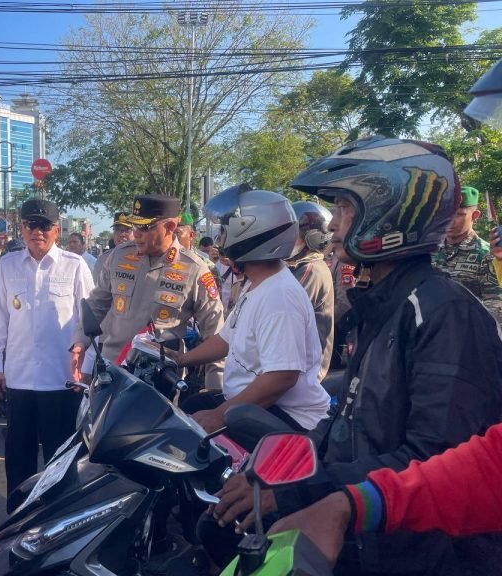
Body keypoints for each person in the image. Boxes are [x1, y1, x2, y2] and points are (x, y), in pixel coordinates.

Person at [209, 136, 502, 575]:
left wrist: (296, 492)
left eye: (345, 208)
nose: (332, 226)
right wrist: (277, 468)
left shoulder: (443, 314)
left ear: (391, 213)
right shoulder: (385, 304)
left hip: (419, 557)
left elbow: (434, 462)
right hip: (364, 538)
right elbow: (349, 425)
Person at [175, 188, 331, 434]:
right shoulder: (256, 283)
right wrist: (178, 359)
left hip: (289, 417)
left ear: (249, 234)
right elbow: (225, 339)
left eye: (225, 232)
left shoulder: (279, 297)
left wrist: (219, 415)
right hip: (256, 404)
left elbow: (281, 377)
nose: (220, 240)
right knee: (190, 406)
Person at [0, 199, 94, 513]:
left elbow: (88, 322)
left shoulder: (74, 265)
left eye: (44, 225)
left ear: (56, 230)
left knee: (60, 462)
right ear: (21, 229)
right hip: (18, 380)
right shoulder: (7, 266)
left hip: (61, 382)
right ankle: (17, 521)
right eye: (31, 224)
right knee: (18, 459)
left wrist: (84, 371)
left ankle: (58, 522)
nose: (38, 231)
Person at [269, 421, 502, 566]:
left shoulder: (454, 342)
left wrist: (301, 490)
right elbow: (488, 464)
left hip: (418, 553)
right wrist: (348, 504)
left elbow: (429, 450)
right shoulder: (366, 341)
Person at [70, 195, 225, 390]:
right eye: (134, 227)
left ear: (169, 227)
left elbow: (215, 331)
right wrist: (79, 342)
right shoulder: (119, 256)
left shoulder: (195, 269)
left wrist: (215, 388)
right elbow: (97, 303)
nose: (136, 235)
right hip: (113, 373)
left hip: (160, 382)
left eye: (144, 228)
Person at [432, 185, 502, 322]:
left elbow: (495, 309)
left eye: (459, 215)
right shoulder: (430, 251)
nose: (451, 221)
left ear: (474, 215)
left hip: (467, 336)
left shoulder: (487, 255)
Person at [286, 201, 335, 380]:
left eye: (293, 234)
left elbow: (284, 309)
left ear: (312, 237)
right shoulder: (295, 266)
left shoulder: (312, 270)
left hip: (304, 375)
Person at [93, 211, 132, 280]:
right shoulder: (104, 259)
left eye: (127, 230)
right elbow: (97, 288)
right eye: (117, 230)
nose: (121, 234)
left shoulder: (145, 258)